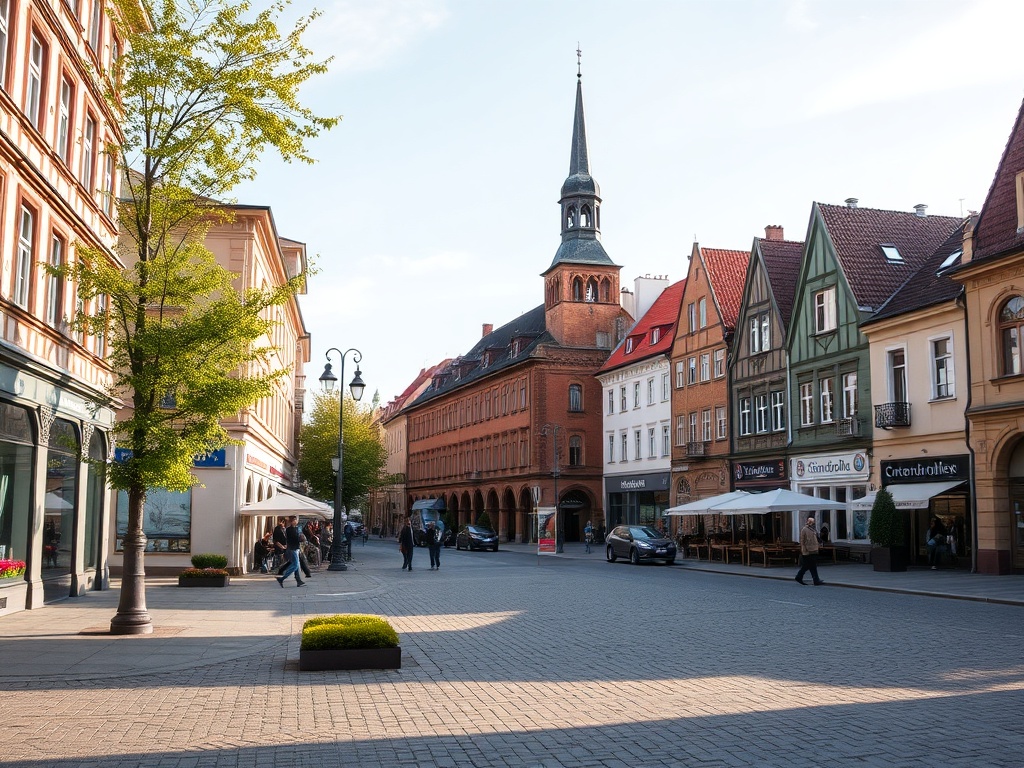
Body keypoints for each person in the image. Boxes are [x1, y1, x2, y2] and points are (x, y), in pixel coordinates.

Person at [795, 516, 824, 586]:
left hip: (814, 549)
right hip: (808, 551)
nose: (812, 523)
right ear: (808, 522)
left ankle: (815, 579)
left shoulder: (813, 529)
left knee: (811, 565)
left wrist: (819, 544)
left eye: (813, 522)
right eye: (810, 521)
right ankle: (800, 577)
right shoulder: (804, 529)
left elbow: (816, 538)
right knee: (809, 565)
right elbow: (802, 541)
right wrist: (804, 551)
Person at [277, 515, 305, 587]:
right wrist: (300, 538)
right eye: (293, 520)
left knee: (297, 565)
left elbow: (300, 537)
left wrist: (301, 537)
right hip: (292, 549)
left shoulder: (297, 528)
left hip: (296, 548)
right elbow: (294, 538)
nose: (295, 521)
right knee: (295, 565)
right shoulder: (289, 530)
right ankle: (282, 578)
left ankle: (298, 580)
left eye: (295, 520)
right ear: (291, 521)